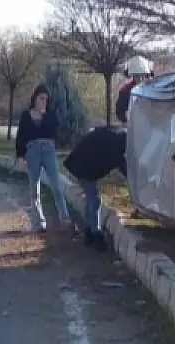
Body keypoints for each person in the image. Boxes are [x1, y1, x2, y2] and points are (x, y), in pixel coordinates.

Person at [15, 85, 72, 234]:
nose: (43, 101)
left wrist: (45, 115)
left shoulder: (50, 115)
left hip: (48, 149)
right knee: (34, 188)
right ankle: (39, 222)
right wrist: (20, 156)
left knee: (56, 186)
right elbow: (21, 137)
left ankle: (65, 218)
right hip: (32, 151)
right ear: (35, 98)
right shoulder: (26, 115)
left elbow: (54, 132)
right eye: (41, 98)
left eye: (46, 99)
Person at [62, 125, 128, 253]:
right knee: (95, 200)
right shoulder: (118, 142)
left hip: (83, 162)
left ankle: (89, 232)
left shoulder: (118, 134)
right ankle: (96, 234)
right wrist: (132, 179)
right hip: (84, 165)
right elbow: (121, 163)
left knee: (91, 200)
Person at [115, 56, 154, 124]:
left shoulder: (152, 90)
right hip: (131, 127)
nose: (140, 79)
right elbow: (120, 111)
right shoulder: (125, 91)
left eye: (142, 75)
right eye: (137, 76)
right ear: (133, 75)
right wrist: (125, 117)